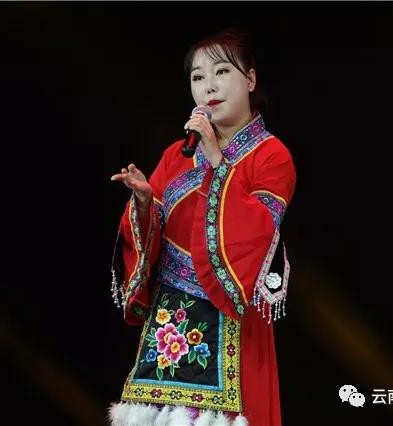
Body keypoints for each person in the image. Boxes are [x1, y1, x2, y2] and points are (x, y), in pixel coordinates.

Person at [108, 28, 296, 426]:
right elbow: (151, 240)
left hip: (231, 322)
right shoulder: (176, 155)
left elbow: (258, 233)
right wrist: (143, 204)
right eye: (198, 77)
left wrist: (217, 162)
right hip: (170, 322)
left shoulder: (272, 155)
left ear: (250, 79)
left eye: (221, 72)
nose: (208, 86)